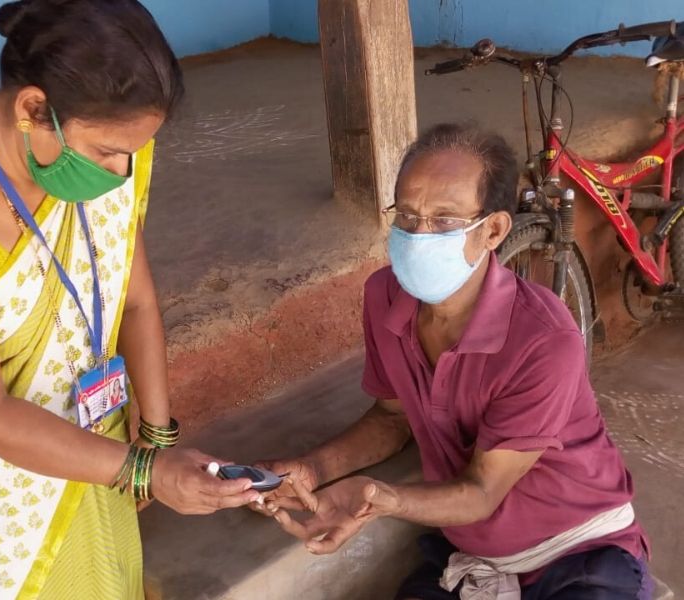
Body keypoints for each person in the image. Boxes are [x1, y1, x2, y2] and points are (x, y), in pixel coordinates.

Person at [0, 1, 259, 598]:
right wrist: (142, 470)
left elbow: (136, 299)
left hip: (100, 453)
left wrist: (156, 436)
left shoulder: (108, 153)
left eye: (133, 152)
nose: (123, 172)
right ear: (34, 108)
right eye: (106, 153)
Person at [258, 124, 652, 599]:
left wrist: (382, 499)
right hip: (476, 559)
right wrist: (312, 470)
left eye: (445, 220)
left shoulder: (543, 339)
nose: (419, 235)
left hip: (579, 552)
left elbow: (483, 492)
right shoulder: (384, 298)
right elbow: (392, 417)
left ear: (493, 230)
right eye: (407, 216)